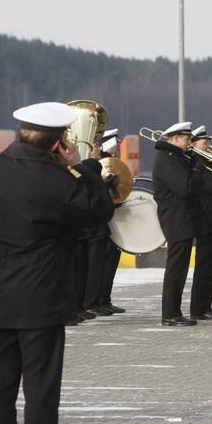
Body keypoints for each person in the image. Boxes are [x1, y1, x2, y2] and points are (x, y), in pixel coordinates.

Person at [0, 102, 114, 424]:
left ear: (18, 132)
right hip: (41, 300)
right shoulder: (58, 180)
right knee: (41, 393)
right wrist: (83, 166)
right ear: (59, 143)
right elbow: (98, 212)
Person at [152, 121, 200, 327]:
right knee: (176, 268)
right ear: (175, 138)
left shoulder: (175, 157)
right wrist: (197, 167)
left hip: (181, 217)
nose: (190, 142)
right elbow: (185, 188)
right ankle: (170, 314)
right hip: (175, 217)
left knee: (180, 268)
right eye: (188, 139)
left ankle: (174, 312)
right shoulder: (168, 159)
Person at [84, 128, 127, 316]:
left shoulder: (113, 164)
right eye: (116, 142)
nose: (118, 146)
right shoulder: (97, 165)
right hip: (97, 223)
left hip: (109, 218)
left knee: (108, 263)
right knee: (96, 266)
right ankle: (92, 300)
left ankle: (103, 298)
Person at [188, 126, 212, 321]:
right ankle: (199, 307)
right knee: (204, 265)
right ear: (194, 144)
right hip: (203, 218)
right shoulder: (196, 162)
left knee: (210, 265)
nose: (209, 146)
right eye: (205, 143)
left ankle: (205, 305)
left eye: (209, 142)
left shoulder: (207, 161)